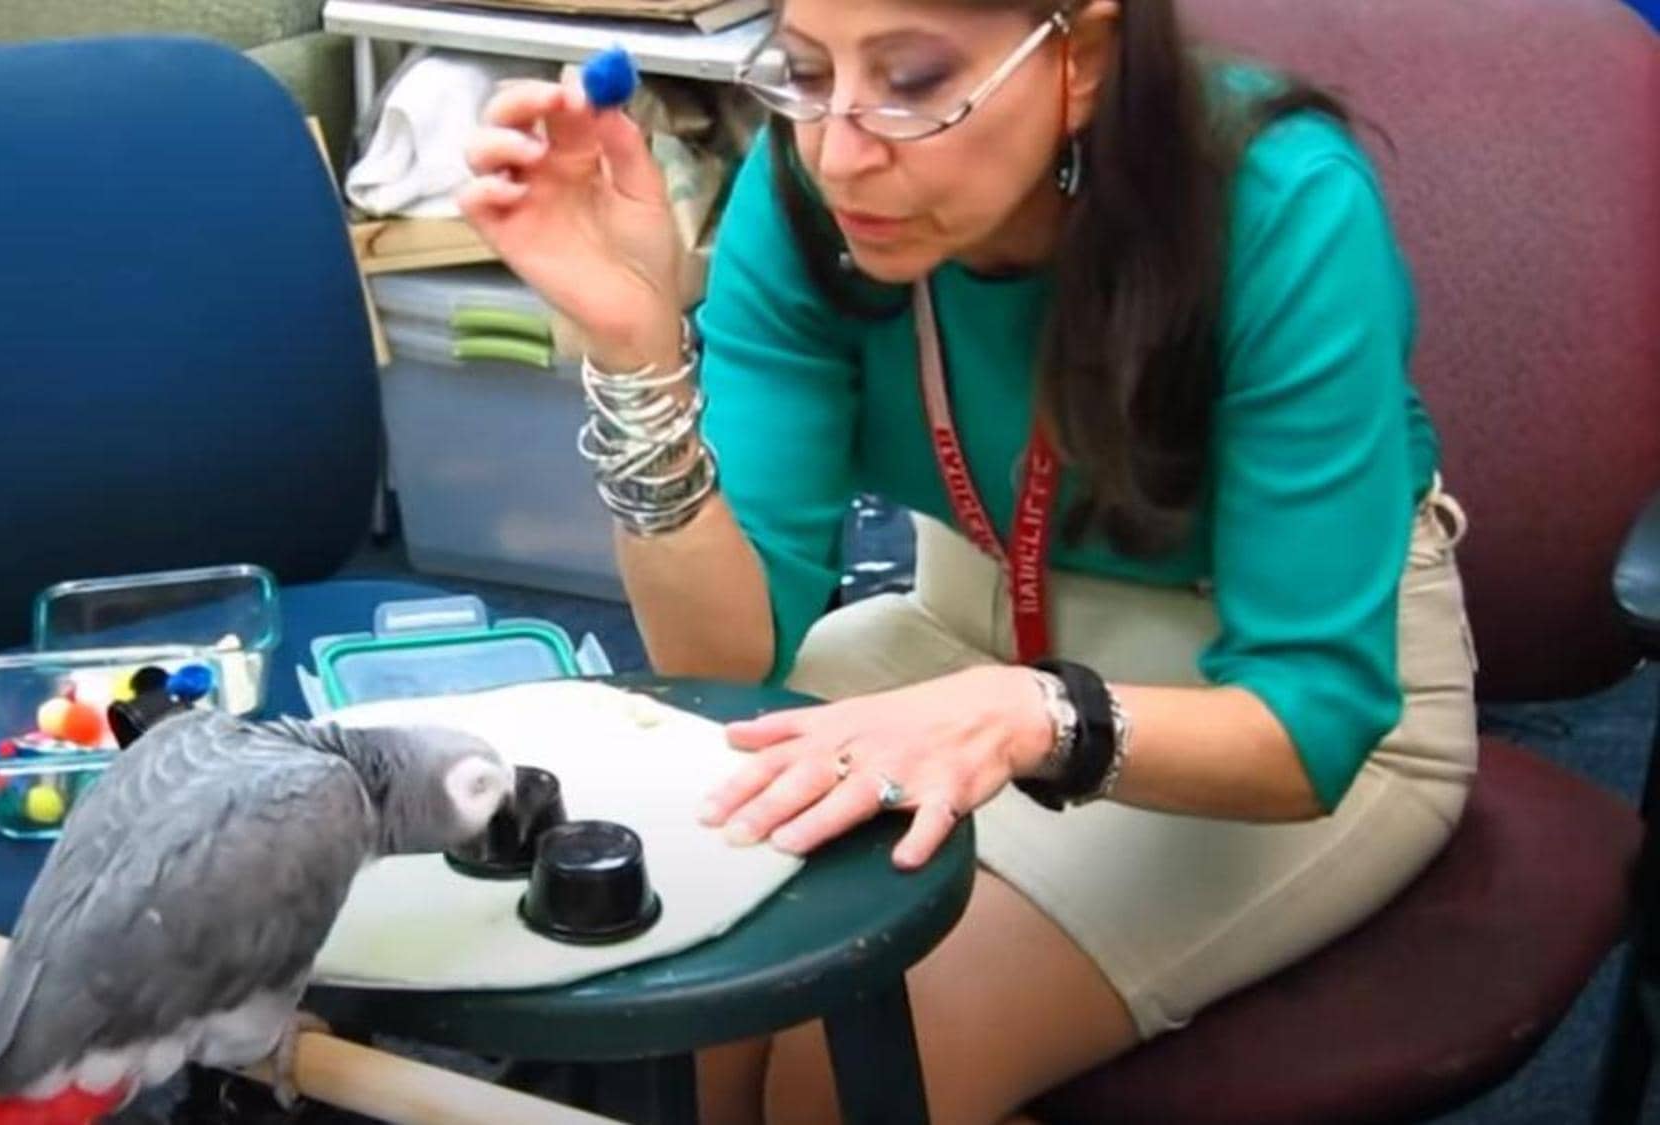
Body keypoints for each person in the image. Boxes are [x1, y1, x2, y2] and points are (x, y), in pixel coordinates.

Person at [458, 0, 1479, 1121]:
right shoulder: (810, 190)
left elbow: (1312, 720)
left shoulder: (1277, 203)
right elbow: (723, 657)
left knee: (836, 1076)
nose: (841, 150)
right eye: (807, 72)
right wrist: (638, 350)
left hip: (1264, 704)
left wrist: (1025, 716)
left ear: (1079, 56)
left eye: (909, 81)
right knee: (676, 991)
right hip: (958, 624)